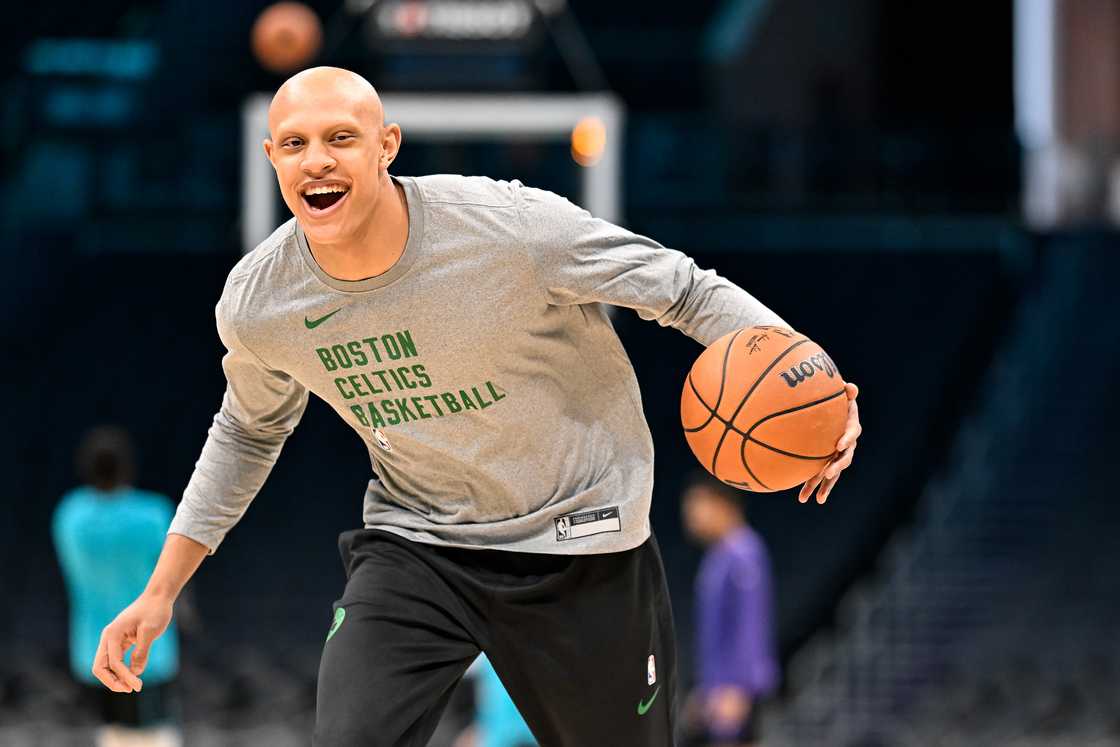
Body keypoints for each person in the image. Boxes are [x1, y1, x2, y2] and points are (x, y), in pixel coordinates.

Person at [90, 66, 862, 746]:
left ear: (386, 144)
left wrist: (812, 379)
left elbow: (684, 289)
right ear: (270, 159)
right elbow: (246, 430)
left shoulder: (510, 229)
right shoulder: (262, 303)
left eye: (340, 138)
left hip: (581, 543)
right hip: (417, 543)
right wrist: (161, 591)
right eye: (293, 144)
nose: (316, 160)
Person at [53, 426, 181, 747]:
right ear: (127, 468)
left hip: (90, 650)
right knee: (153, 735)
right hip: (147, 651)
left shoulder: (70, 515)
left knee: (111, 733)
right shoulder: (153, 515)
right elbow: (175, 574)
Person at [681, 472, 779, 747]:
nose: (691, 518)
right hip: (720, 684)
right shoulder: (718, 555)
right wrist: (708, 686)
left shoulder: (744, 551)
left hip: (739, 686)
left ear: (722, 504)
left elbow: (750, 622)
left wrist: (736, 687)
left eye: (697, 507)